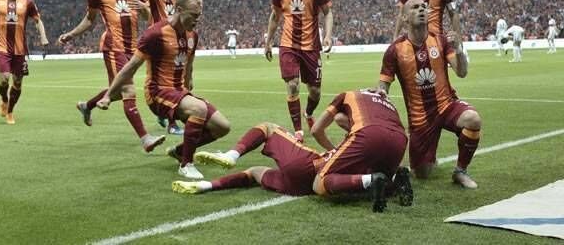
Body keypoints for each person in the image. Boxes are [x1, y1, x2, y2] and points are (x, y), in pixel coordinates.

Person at [173, 90, 413, 213]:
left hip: (304, 172)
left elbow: (318, 129)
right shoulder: (359, 154)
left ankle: (229, 157)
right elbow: (347, 126)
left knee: (267, 129)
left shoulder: (350, 104)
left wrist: (334, 147)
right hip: (308, 182)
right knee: (257, 172)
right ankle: (389, 184)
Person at [96, 0, 231, 180]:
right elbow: (131, 67)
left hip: (179, 92)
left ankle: (179, 151)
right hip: (157, 93)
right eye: (193, 15)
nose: (197, 20)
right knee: (199, 109)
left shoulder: (193, 35)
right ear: (179, 10)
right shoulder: (155, 34)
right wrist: (108, 95)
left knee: (222, 126)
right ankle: (186, 164)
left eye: (199, 15)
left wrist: (188, 89)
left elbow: (189, 65)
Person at [57, 0, 165, 153]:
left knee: (116, 92)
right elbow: (90, 19)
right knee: (128, 90)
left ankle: (87, 106)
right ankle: (145, 139)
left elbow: (147, 16)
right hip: (113, 46)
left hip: (133, 47)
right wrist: (71, 34)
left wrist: (144, 7)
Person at [379, 0, 482, 189]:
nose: (421, 10)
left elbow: (462, 72)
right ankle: (429, 156)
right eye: (415, 7)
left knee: (473, 119)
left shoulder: (440, 40)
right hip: (420, 118)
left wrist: (459, 49)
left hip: (446, 105)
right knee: (422, 173)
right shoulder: (395, 50)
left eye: (423, 7)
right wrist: (381, 92)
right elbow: (383, 84)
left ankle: (460, 171)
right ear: (404, 18)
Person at [264, 0, 333, 142]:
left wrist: (328, 35)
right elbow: (275, 16)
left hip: (311, 46)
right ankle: (298, 131)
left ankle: (308, 113)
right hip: (288, 45)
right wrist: (268, 41)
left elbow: (327, 12)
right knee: (292, 85)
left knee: (315, 92)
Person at [147, 0, 196, 135]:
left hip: (175, 38)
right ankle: (172, 122)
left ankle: (164, 112)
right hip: (159, 41)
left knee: (180, 78)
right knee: (166, 81)